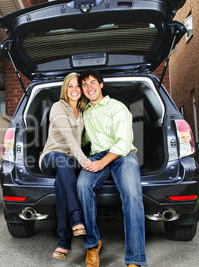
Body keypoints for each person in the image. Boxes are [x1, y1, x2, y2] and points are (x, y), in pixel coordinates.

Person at [77, 69, 147, 267]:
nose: (88, 88)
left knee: (132, 196)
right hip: (98, 155)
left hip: (123, 155)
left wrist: (101, 163)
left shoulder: (118, 108)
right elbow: (82, 140)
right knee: (82, 185)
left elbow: (123, 143)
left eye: (92, 83)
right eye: (84, 85)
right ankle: (93, 244)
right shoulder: (86, 112)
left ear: (101, 85)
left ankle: (134, 259)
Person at [39, 72, 92, 260]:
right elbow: (69, 139)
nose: (75, 89)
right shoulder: (58, 107)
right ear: (65, 89)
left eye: (78, 86)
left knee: (62, 183)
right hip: (51, 157)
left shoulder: (84, 111)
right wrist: (84, 161)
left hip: (71, 162)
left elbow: (85, 139)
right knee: (62, 161)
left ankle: (63, 243)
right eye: (71, 86)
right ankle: (76, 218)